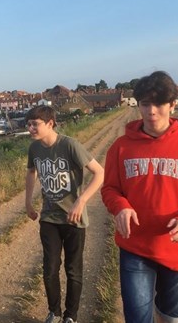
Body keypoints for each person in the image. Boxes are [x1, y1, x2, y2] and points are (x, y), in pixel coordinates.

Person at [101, 71, 178, 323]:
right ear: (138, 105)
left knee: (170, 317)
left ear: (172, 105)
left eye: (158, 104)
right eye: (145, 104)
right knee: (137, 318)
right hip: (134, 246)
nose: (151, 111)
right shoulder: (120, 148)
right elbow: (109, 189)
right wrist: (120, 206)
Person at [25, 105, 104, 323]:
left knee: (73, 269)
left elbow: (99, 173)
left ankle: (71, 316)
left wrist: (81, 200)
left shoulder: (70, 145)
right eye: (29, 124)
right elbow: (31, 172)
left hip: (74, 219)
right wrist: (28, 202)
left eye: (35, 124)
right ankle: (54, 312)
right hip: (49, 218)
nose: (31, 128)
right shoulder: (34, 149)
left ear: (50, 123)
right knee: (50, 268)